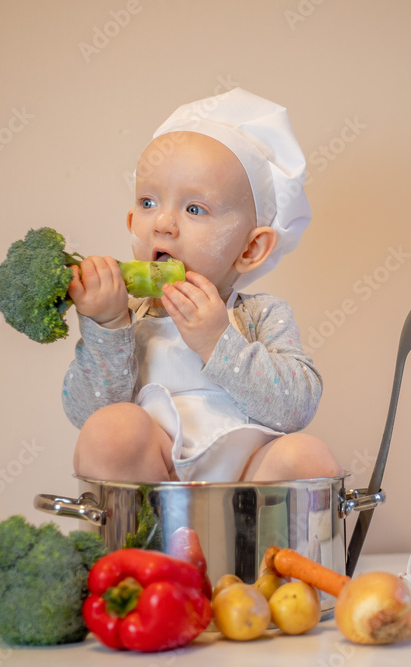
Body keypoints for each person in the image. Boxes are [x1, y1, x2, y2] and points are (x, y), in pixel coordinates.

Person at [62, 88, 342, 483]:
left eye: (195, 208)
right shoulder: (130, 316)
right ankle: (150, 542)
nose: (162, 223)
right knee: (109, 431)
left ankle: (257, 545)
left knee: (310, 456)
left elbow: (297, 408)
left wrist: (217, 341)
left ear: (251, 248)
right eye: (148, 202)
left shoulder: (260, 315)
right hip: (157, 488)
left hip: (246, 488)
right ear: (131, 225)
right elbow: (84, 414)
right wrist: (108, 326)